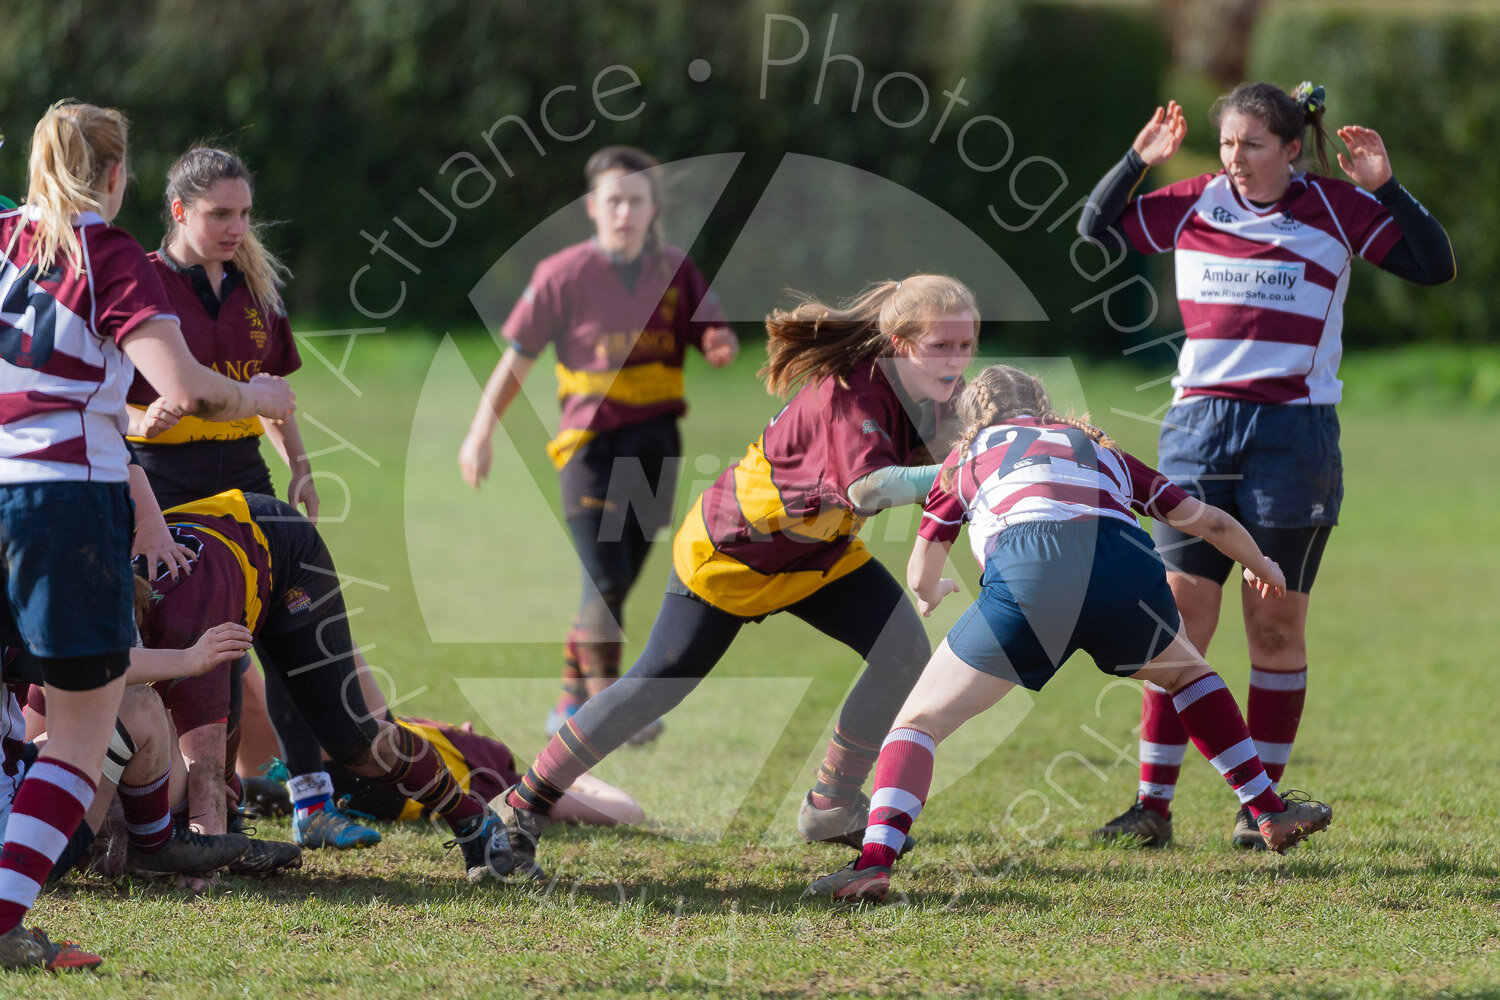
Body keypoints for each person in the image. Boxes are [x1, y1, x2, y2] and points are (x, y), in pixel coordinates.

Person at [492, 274, 977, 879]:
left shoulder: (935, 392)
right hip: (734, 549)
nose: (957, 359)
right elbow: (870, 487)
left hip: (816, 551)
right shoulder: (856, 393)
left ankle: (830, 803)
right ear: (900, 344)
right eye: (941, 345)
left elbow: (974, 438)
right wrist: (964, 471)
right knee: (654, 685)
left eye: (966, 345)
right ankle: (520, 807)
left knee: (902, 651)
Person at [1076, 82, 1454, 849]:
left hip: (1293, 439)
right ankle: (1152, 806)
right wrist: (1136, 161)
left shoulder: (1338, 208)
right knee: (1178, 622)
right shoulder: (1195, 201)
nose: (1235, 159)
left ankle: (1262, 810)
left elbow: (1433, 265)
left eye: (1252, 144)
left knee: (1275, 627)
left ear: (1290, 148)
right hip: (1198, 432)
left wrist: (1386, 187)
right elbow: (1096, 228)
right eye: (1227, 144)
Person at [805, 366, 1335, 902]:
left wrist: (930, 592)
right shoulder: (1097, 447)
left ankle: (874, 863)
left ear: (970, 420)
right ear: (1044, 405)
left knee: (918, 722)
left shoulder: (964, 458)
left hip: (1031, 575)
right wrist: (1262, 564)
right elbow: (1208, 522)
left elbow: (922, 568)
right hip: (1123, 569)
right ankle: (1268, 809)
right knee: (1189, 675)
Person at [0, 101, 295, 972]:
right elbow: (188, 385)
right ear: (117, 174)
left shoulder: (4, 239)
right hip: (62, 507)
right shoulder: (106, 252)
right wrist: (258, 397)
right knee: (81, 734)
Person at [124, 146, 373, 850]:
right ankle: (211, 809)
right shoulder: (139, 284)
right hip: (165, 487)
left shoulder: (256, 288)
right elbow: (107, 403)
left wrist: (301, 466)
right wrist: (144, 422)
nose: (236, 228)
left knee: (288, 633)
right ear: (180, 211)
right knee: (215, 648)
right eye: (220, 214)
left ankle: (312, 803)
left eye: (243, 214)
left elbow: (273, 395)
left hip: (246, 479)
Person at [458, 145, 739, 742]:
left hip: (656, 444)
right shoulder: (560, 275)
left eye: (636, 200)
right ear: (592, 206)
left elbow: (711, 328)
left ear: (652, 207)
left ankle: (568, 702)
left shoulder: (676, 269)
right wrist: (481, 432)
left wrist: (719, 341)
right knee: (603, 579)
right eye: (614, 200)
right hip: (588, 449)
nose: (624, 212)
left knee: (615, 581)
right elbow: (516, 362)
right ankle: (615, 712)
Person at [136, 489, 514, 885]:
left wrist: (201, 858)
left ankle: (472, 819)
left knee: (351, 741)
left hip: (282, 548)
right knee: (176, 723)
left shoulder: (186, 620)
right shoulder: (100, 608)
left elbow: (205, 765)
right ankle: (233, 835)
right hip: (216, 554)